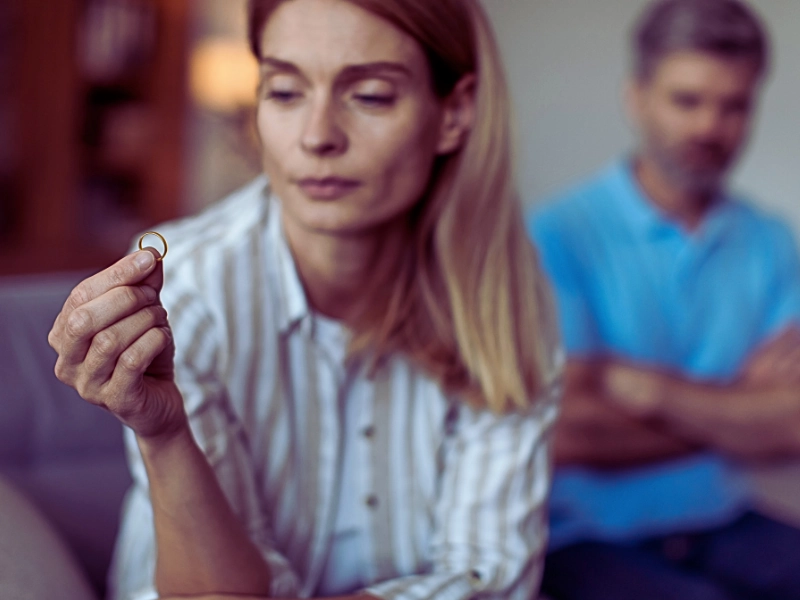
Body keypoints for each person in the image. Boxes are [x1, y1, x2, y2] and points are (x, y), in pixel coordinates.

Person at [48, 1, 562, 599]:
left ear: (454, 112)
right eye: (286, 92)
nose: (318, 137)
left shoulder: (502, 296)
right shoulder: (186, 286)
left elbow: (493, 573)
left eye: (370, 96)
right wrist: (165, 436)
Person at [528, 0, 800, 598]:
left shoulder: (771, 241)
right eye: (687, 100)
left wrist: (648, 391)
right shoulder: (555, 236)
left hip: (722, 517)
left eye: (733, 105)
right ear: (637, 97)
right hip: (584, 536)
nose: (709, 126)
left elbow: (792, 425)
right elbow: (568, 433)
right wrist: (739, 407)